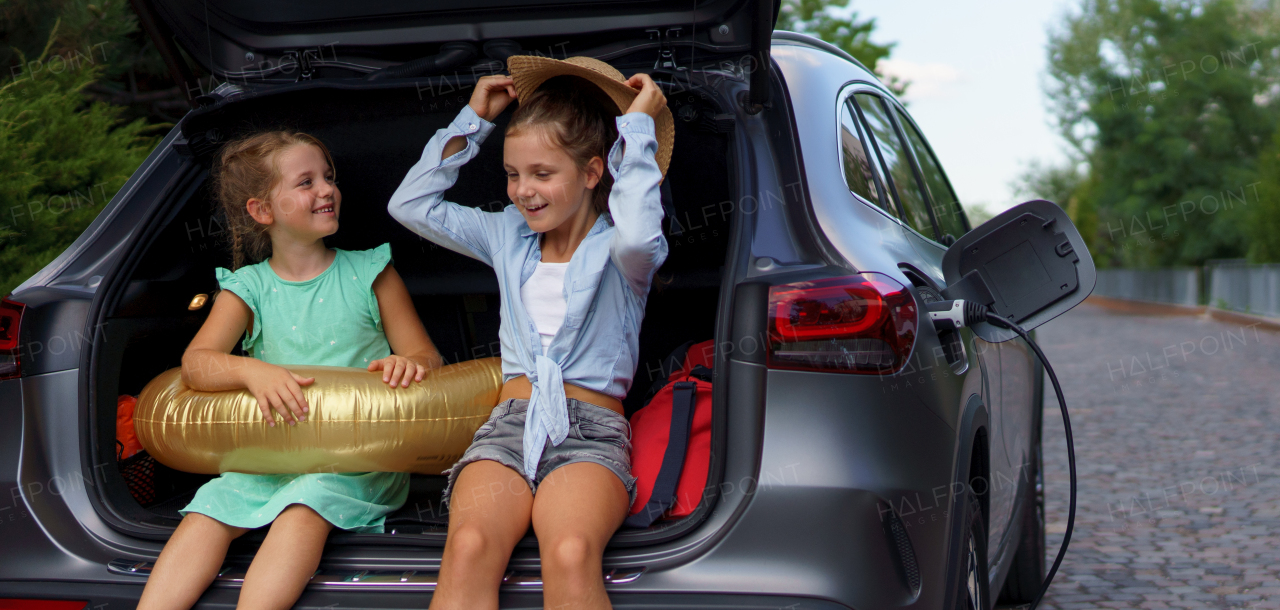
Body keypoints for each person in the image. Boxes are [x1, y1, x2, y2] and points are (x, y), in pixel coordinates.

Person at [387, 56, 672, 610]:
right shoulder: (505, 234)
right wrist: (472, 122)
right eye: (514, 174)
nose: (523, 191)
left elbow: (640, 235)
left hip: (588, 436)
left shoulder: (622, 251)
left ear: (592, 173)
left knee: (568, 552)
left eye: (543, 174)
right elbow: (410, 205)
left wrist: (636, 130)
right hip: (507, 428)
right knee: (467, 544)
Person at [137, 130, 444, 610]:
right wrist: (251, 372)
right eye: (306, 182)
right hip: (273, 458)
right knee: (208, 508)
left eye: (329, 177)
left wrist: (407, 364)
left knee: (303, 508)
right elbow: (197, 364)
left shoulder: (371, 273)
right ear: (262, 211)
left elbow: (429, 359)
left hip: (355, 460)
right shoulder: (249, 287)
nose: (326, 189)